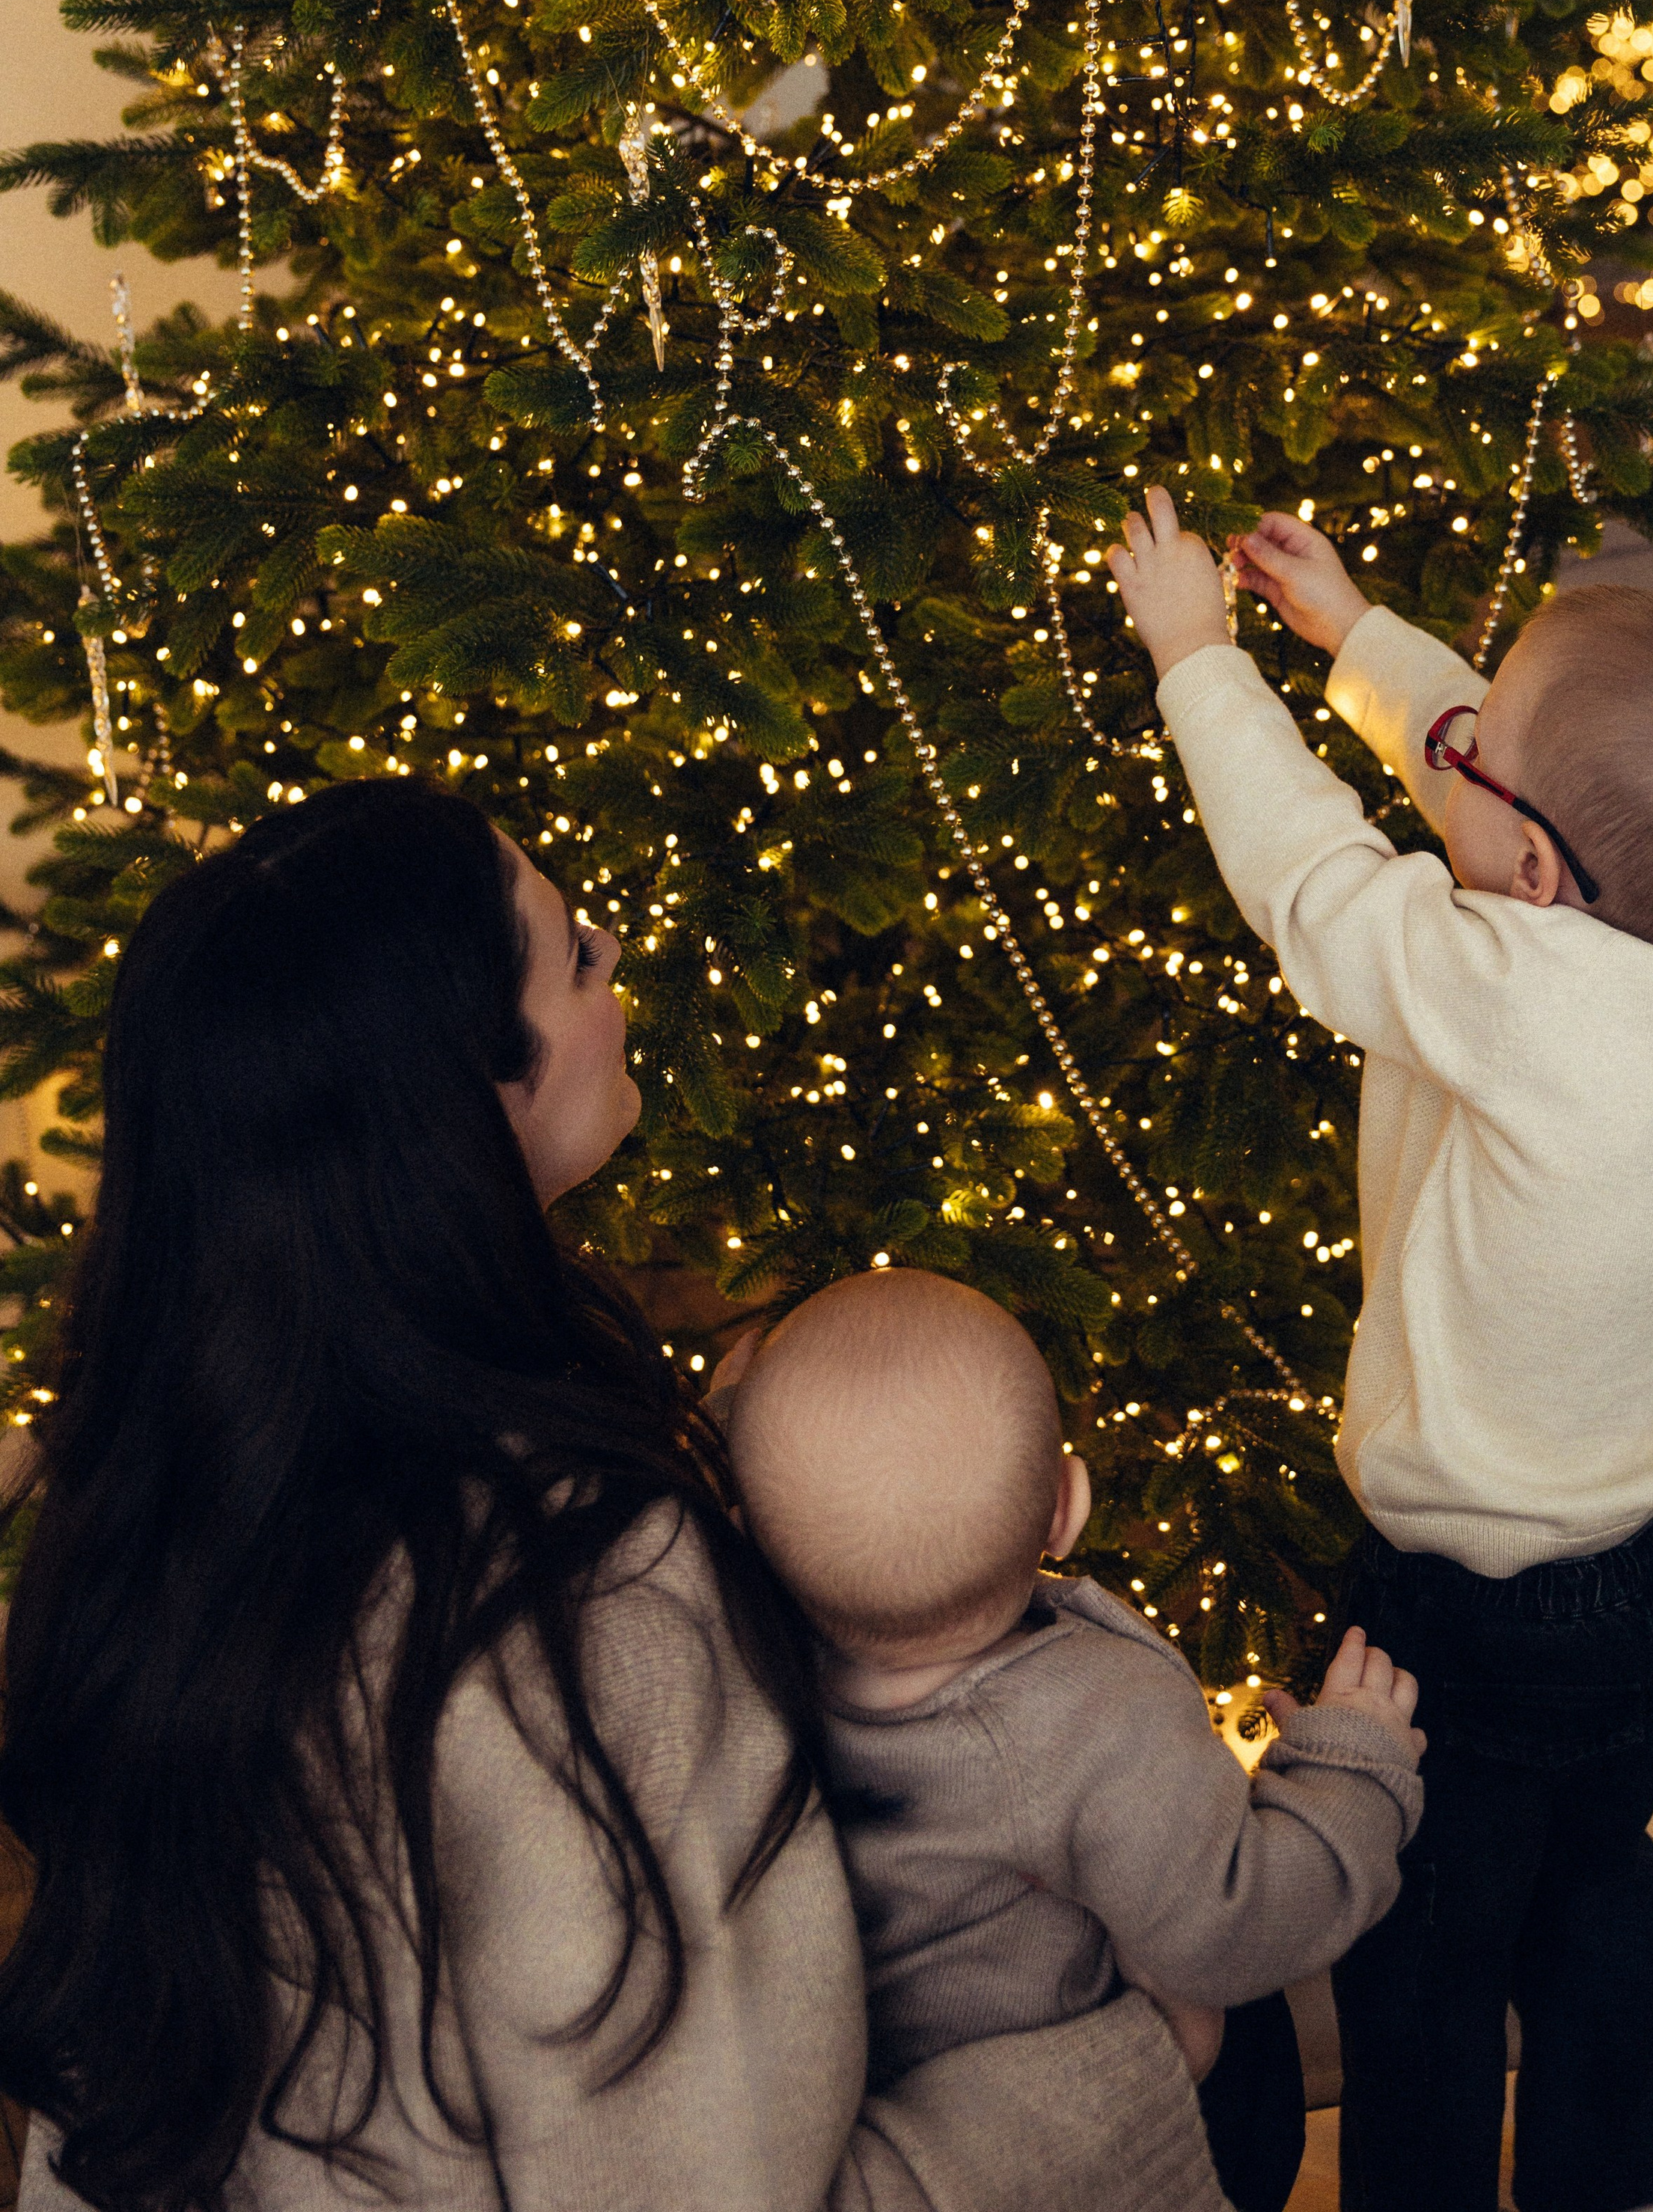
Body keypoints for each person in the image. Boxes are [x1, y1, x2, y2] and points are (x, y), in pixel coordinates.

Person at [0, 780, 1232, 2212]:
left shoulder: (125, 1505)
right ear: (471, 1087)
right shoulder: (572, 1583)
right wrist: (1126, 2082)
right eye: (575, 952)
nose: (615, 957)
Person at [1106, 489, 1653, 2212]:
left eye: (1475, 746)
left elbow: (1314, 879)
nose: (1453, 743)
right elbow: (1507, 775)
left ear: (1529, 880)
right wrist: (1358, 634)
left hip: (1463, 1606)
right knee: (1596, 1900)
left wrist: (1200, 661)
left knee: (1419, 1954)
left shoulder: (1516, 995)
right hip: (1648, 1574)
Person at [722, 1267, 1426, 2212]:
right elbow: (1234, 1925)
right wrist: (1353, 1763)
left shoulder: (748, 1671)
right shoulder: (1093, 1716)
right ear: (1068, 1505)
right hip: (1108, 2142)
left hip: (914, 2122)